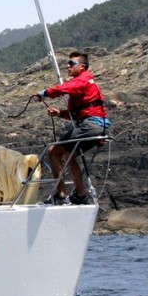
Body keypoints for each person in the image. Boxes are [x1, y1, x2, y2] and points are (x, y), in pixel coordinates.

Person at [35, 51, 111, 204]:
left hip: (91, 125)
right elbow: (76, 114)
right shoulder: (83, 84)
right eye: (67, 64)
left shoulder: (84, 79)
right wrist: (59, 113)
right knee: (69, 156)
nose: (67, 66)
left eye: (71, 64)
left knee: (54, 152)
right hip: (94, 125)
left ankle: (61, 196)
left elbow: (64, 88)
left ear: (82, 67)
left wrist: (44, 93)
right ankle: (80, 195)